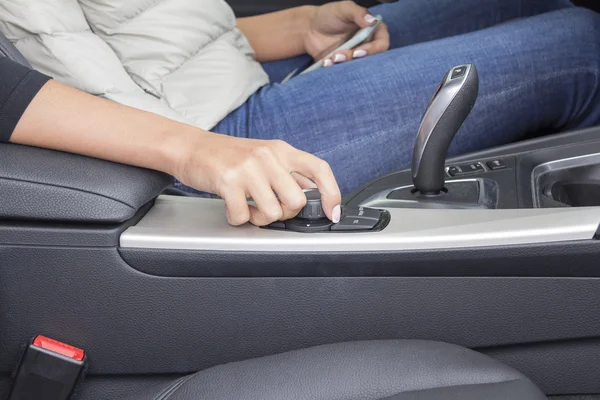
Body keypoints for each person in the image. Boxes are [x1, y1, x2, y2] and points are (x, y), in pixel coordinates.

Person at [1, 0, 600, 227]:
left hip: (228, 84)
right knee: (580, 46)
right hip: (196, 137)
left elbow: (147, 42)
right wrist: (193, 150)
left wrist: (299, 27)